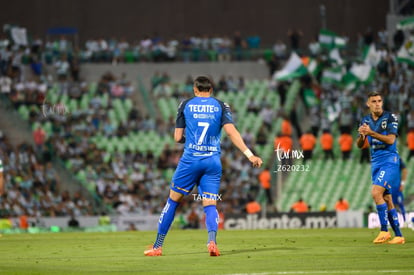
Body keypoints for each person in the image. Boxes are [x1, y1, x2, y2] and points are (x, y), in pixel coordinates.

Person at [144, 76, 263, 257]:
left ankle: (157, 247)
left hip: (191, 161)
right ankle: (212, 242)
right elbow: (231, 132)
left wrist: (189, 140)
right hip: (212, 163)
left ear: (195, 89)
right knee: (210, 205)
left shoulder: (185, 104)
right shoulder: (221, 106)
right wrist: (250, 154)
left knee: (173, 201)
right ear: (211, 90)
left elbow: (177, 138)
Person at [357, 91, 404, 244]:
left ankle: (384, 231)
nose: (377, 104)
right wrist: (362, 136)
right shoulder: (365, 120)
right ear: (368, 104)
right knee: (387, 198)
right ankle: (399, 235)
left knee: (376, 192)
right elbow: (360, 145)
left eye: (379, 101)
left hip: (389, 160)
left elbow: (391, 140)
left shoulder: (390, 118)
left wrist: (371, 132)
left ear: (382, 102)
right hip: (375, 162)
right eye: (374, 101)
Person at [391, 159, 408, 223]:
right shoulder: (385, 158)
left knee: (400, 204)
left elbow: (405, 170)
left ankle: (405, 221)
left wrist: (402, 183)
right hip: (389, 188)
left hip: (397, 188)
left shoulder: (398, 159)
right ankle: (392, 222)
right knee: (390, 205)